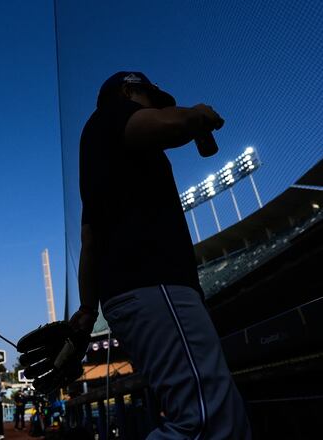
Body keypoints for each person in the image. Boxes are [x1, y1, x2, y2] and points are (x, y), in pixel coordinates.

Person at [71, 71, 251, 439]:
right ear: (129, 90)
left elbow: (90, 240)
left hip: (129, 295)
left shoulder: (100, 155)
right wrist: (197, 114)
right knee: (209, 423)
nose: (156, 105)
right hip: (155, 283)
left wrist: (88, 311)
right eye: (151, 98)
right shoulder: (111, 115)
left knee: (203, 413)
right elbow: (168, 124)